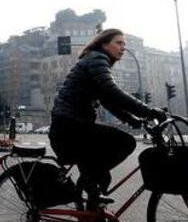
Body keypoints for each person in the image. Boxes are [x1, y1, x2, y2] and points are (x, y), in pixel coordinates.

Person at [49, 28, 166, 204]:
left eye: (124, 44)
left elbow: (107, 100)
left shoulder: (96, 60)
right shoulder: (97, 59)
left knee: (100, 176)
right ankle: (88, 182)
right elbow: (112, 92)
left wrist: (133, 120)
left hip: (71, 127)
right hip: (69, 128)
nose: (123, 47)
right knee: (125, 142)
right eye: (118, 43)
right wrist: (148, 111)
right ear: (104, 43)